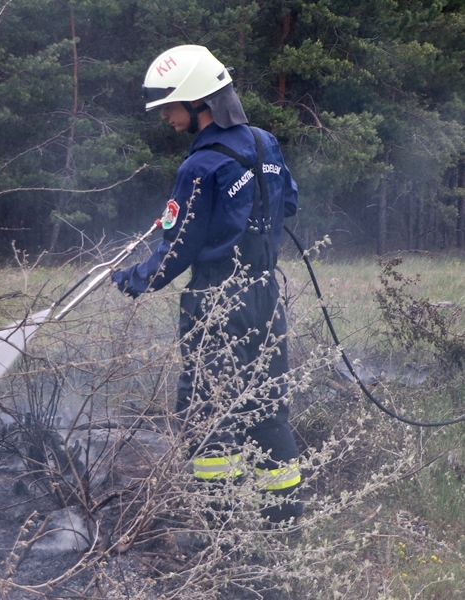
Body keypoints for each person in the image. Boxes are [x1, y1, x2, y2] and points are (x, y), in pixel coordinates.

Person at [111, 45, 302, 524]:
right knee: (267, 407)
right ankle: (284, 521)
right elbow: (289, 203)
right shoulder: (264, 143)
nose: (165, 118)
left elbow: (177, 251)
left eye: (169, 107)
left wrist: (134, 278)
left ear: (199, 103)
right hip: (266, 296)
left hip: (217, 301)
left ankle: (216, 533)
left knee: (207, 412)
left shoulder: (198, 167)